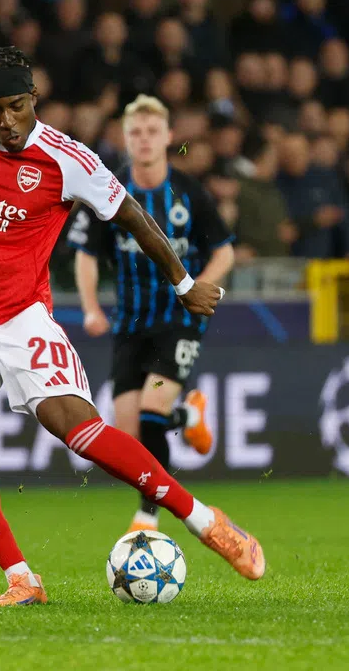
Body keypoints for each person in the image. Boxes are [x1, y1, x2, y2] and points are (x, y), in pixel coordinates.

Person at [0, 47, 265, 608]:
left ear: (34, 100)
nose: (3, 121)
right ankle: (22, 578)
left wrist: (183, 283)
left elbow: (133, 217)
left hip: (23, 316)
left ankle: (204, 520)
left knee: (77, 429)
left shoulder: (68, 158)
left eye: (15, 107)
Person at [67, 94, 235, 534]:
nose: (143, 140)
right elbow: (85, 255)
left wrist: (203, 290)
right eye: (135, 133)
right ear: (125, 138)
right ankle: (189, 417)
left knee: (151, 407)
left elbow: (224, 250)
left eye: (152, 132)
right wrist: (89, 308)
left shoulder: (188, 191)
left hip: (179, 323)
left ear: (168, 137)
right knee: (127, 437)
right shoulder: (107, 191)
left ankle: (149, 516)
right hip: (130, 326)